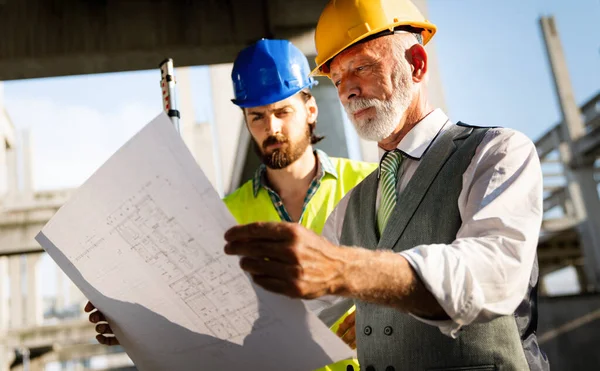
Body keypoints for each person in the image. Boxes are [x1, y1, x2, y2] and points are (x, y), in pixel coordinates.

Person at [223, 1, 550, 370]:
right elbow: (296, 319)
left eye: (361, 67)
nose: (347, 91)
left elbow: (495, 273)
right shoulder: (353, 204)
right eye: (336, 78)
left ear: (417, 64)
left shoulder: (496, 152)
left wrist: (347, 271)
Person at [85, 38, 376, 371]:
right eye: (257, 117)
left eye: (283, 111)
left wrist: (387, 318)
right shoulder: (221, 217)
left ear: (311, 110)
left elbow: (416, 278)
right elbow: (201, 319)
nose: (272, 128)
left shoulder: (368, 184)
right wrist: (133, 325)